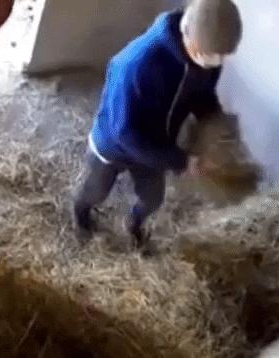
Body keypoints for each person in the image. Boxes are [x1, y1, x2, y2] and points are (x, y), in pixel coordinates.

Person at [73, 0, 243, 250]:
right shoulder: (137, 63)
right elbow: (125, 132)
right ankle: (81, 215)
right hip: (113, 144)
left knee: (152, 198)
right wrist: (182, 161)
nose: (216, 61)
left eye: (222, 56)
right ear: (187, 34)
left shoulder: (206, 57)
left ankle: (133, 224)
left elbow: (202, 95)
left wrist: (215, 125)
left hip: (158, 142)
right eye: (211, 54)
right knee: (96, 190)